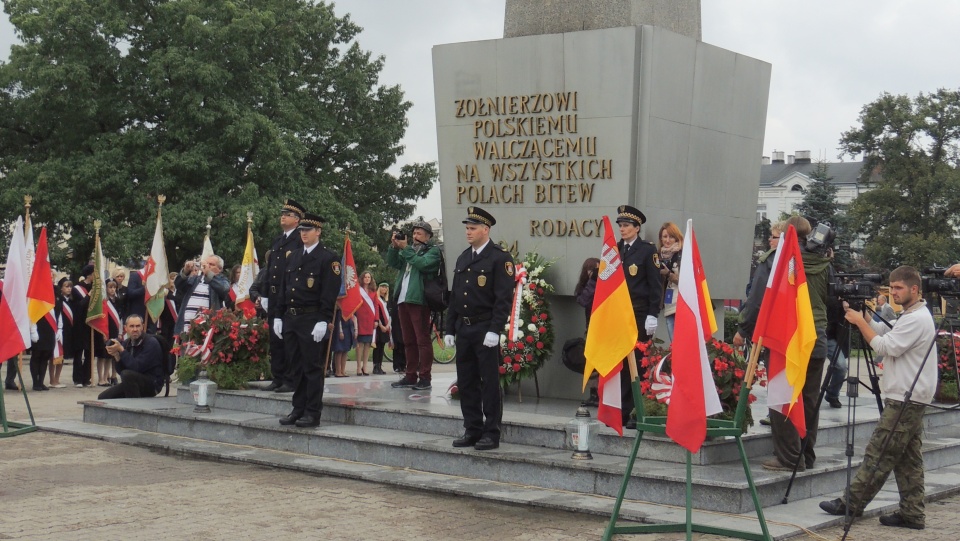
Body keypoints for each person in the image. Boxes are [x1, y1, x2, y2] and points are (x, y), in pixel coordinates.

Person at [819, 266, 937, 530]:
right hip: (909, 395)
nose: (893, 292)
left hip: (905, 397)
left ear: (914, 289)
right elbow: (884, 333)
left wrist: (859, 322)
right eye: (891, 287)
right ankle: (913, 513)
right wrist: (863, 316)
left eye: (898, 288)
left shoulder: (917, 318)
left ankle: (851, 503)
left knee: (879, 452)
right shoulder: (911, 314)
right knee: (908, 459)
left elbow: (886, 347)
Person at [762, 216, 832, 472]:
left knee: (782, 397)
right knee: (810, 399)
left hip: (787, 338)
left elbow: (762, 297)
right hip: (817, 337)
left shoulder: (778, 260)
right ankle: (807, 454)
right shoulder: (825, 263)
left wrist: (747, 329)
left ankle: (790, 458)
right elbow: (831, 300)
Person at [444, 207, 514, 451]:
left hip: (485, 328)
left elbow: (504, 298)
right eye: (466, 228)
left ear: (486, 229)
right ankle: (471, 428)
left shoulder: (500, 258)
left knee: (489, 382)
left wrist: (496, 330)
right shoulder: (464, 257)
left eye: (472, 228)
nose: (468, 232)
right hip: (465, 327)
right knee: (467, 381)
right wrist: (449, 328)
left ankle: (491, 432)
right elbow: (454, 297)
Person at [275, 212, 340, 428]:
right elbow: (285, 289)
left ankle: (312, 412)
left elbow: (329, 292)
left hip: (312, 317)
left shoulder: (327, 258)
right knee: (295, 366)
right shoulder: (293, 256)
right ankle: (298, 408)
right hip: (292, 317)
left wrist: (323, 319)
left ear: (318, 231)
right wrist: (278, 315)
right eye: (301, 230)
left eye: (308, 230)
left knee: (312, 367)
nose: (303, 233)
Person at [615, 205, 662, 430]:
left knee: (640, 365)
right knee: (624, 364)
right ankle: (624, 411)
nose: (622, 230)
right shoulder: (616, 250)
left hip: (641, 313)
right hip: (622, 315)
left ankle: (638, 411)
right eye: (620, 226)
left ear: (637, 227)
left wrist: (653, 314)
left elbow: (655, 285)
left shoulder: (647, 251)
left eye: (626, 226)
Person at [387, 220, 442, 391]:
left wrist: (406, 249)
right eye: (414, 233)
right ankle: (410, 375)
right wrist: (393, 247)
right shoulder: (408, 251)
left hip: (419, 300)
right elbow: (394, 263)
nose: (415, 236)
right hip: (403, 299)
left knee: (422, 339)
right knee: (408, 340)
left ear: (427, 236)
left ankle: (425, 377)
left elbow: (423, 264)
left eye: (419, 233)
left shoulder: (433, 251)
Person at [262, 199, 305, 393]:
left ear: (296, 220)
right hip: (273, 296)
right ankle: (277, 376)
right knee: (275, 338)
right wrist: (264, 293)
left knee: (288, 338)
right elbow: (270, 269)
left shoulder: (299, 239)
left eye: (287, 215)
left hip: (288, 296)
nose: (283, 217)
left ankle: (290, 378)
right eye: (283, 214)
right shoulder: (278, 240)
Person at [97, 315, 166, 399]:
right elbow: (121, 371)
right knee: (103, 397)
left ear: (143, 327)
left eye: (138, 326)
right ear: (126, 328)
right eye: (132, 326)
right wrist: (116, 356)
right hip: (133, 381)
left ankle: (134, 407)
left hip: (152, 384)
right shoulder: (127, 343)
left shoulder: (151, 343)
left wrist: (122, 350)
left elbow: (136, 367)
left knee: (128, 375)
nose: (135, 329)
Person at [174, 254, 231, 335]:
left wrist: (208, 273)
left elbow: (224, 289)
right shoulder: (195, 279)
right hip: (186, 327)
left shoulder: (222, 280)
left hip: (206, 329)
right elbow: (178, 285)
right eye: (206, 263)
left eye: (211, 264)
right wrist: (186, 271)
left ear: (220, 269)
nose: (207, 266)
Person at [574, 257, 600, 407]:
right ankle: (593, 394)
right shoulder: (585, 285)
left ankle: (603, 394)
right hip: (591, 328)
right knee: (591, 362)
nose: (595, 273)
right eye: (592, 270)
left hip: (604, 327)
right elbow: (583, 301)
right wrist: (593, 281)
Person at [657, 222, 683, 341]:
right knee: (673, 344)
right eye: (665, 237)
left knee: (682, 343)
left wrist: (669, 274)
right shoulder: (658, 256)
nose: (667, 240)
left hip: (682, 304)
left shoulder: (682, 254)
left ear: (677, 238)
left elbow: (688, 283)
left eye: (671, 237)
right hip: (668, 304)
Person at [823, 296, 850, 409]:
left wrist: (847, 302)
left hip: (831, 338)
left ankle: (832, 394)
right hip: (813, 333)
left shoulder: (841, 290)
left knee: (841, 366)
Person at [71, 263, 95, 387]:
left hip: (91, 323)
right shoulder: (77, 289)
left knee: (90, 352)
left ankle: (87, 377)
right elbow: (79, 306)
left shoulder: (96, 288)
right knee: (79, 352)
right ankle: (78, 379)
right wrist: (89, 295)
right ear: (89, 275)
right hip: (80, 324)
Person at [48, 278, 74, 388]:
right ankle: (52, 379)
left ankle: (57, 379)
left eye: (70, 286)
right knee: (54, 355)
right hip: (57, 329)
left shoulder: (72, 300)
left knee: (61, 356)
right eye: (66, 286)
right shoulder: (58, 300)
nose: (69, 289)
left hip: (67, 331)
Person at [354, 271, 379, 376]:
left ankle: (365, 366)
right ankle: (358, 367)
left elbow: (376, 306)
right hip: (360, 318)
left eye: (369, 277)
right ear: (362, 278)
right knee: (359, 344)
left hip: (370, 319)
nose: (367, 279)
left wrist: (376, 319)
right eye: (365, 277)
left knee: (368, 344)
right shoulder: (357, 290)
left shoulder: (373, 291)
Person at [371, 282, 392, 375]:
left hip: (386, 325)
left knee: (382, 346)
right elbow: (376, 313)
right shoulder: (377, 299)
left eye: (386, 287)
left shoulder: (386, 300)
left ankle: (379, 366)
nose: (384, 289)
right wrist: (381, 325)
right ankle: (375, 367)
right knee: (377, 346)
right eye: (382, 287)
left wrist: (387, 326)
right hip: (379, 326)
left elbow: (389, 314)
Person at [331, 305, 357, 377]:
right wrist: (340, 331)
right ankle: (338, 371)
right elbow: (338, 320)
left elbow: (354, 317)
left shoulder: (350, 306)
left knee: (345, 350)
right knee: (339, 350)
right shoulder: (340, 307)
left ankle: (343, 370)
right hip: (342, 329)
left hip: (348, 328)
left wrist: (355, 329)